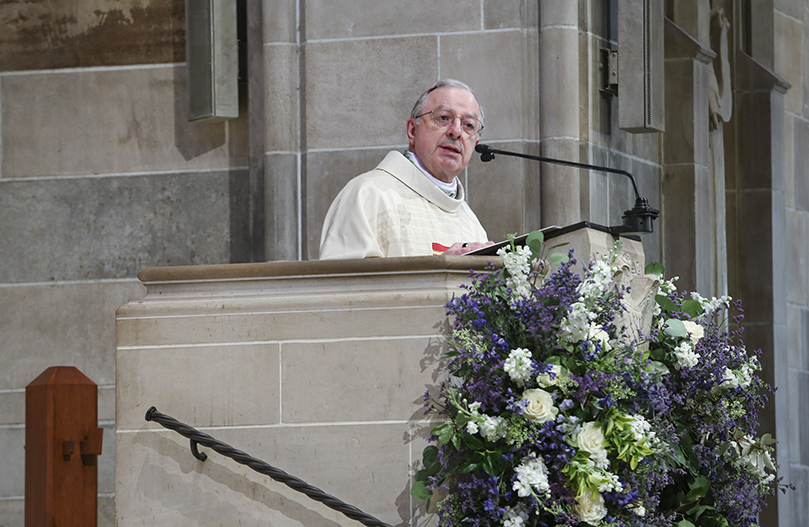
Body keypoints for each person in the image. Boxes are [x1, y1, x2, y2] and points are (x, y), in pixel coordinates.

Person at [318, 79, 494, 260]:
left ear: (475, 144)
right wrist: (437, 272)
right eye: (443, 118)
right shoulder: (367, 195)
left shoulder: (472, 225)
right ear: (412, 130)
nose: (456, 132)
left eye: (468, 125)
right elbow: (345, 284)